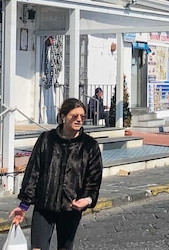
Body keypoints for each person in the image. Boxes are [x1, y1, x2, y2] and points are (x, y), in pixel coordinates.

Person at [10, 98, 103, 250]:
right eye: (74, 116)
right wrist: (24, 205)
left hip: (71, 207)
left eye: (82, 117)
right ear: (63, 116)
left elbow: (94, 179)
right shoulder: (46, 139)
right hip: (44, 206)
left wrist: (87, 199)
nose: (79, 120)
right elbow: (33, 172)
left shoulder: (89, 146)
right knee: (37, 248)